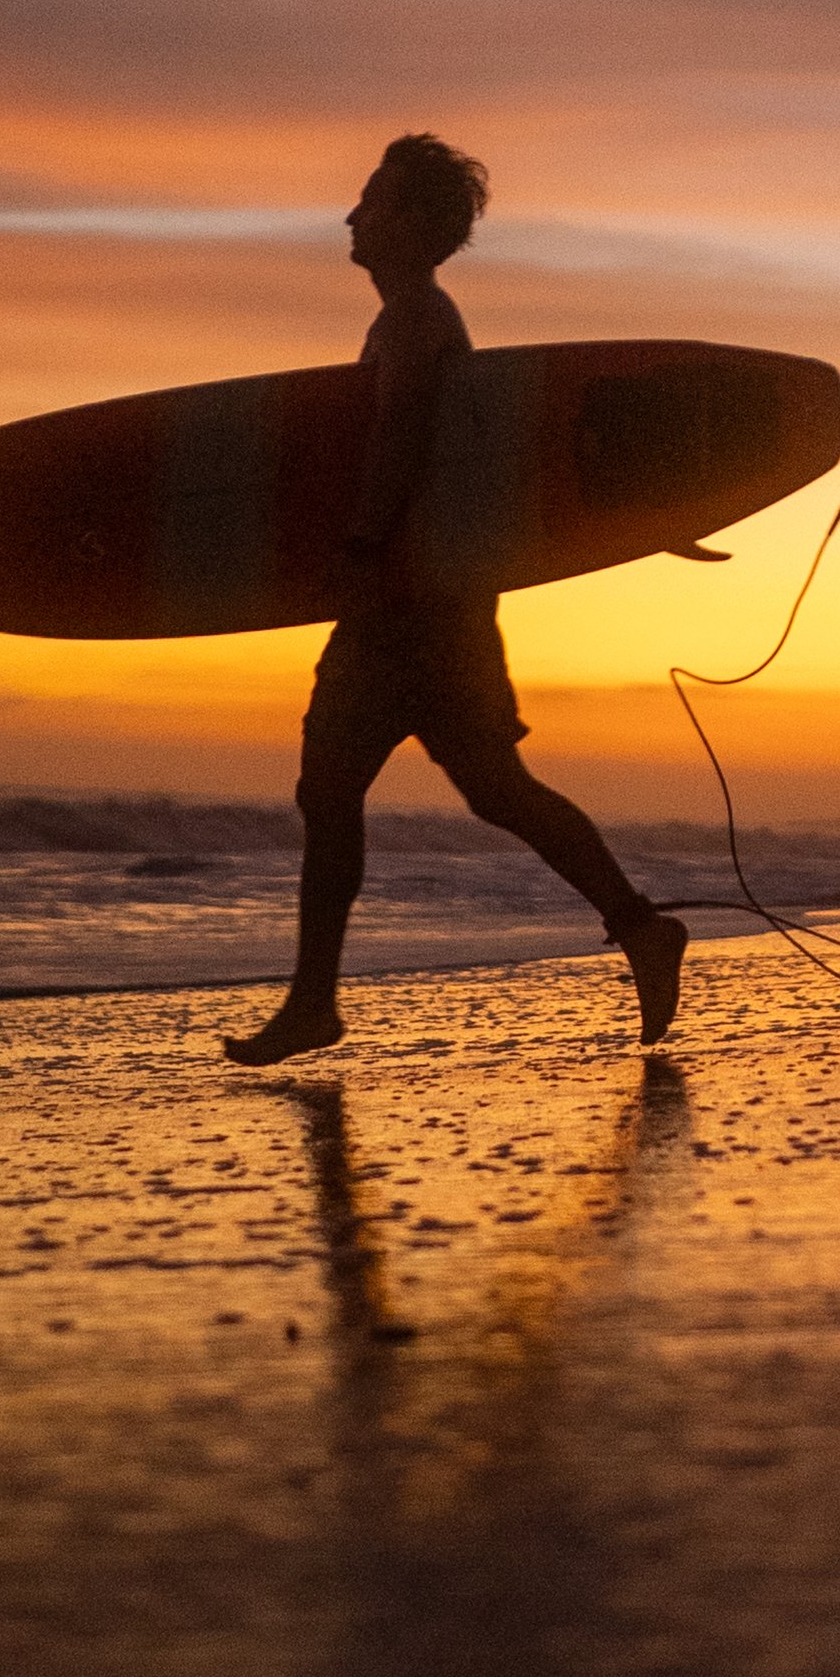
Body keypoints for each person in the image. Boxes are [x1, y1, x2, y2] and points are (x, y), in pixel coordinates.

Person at [225, 133, 690, 1064]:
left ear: (417, 224)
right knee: (490, 789)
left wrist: (360, 545)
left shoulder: (414, 324)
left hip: (407, 605)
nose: (352, 216)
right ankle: (640, 925)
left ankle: (316, 1002)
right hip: (445, 600)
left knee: (333, 789)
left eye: (372, 200)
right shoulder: (416, 319)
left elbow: (400, 435)